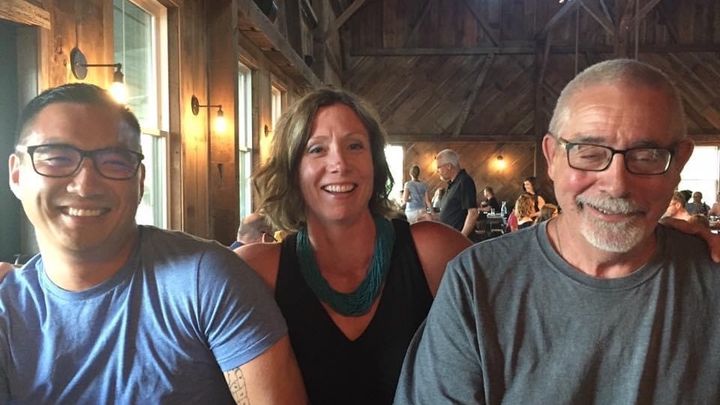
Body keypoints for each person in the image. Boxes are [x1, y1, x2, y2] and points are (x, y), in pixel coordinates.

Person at [395, 59, 720, 403]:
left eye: (647, 156)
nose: (617, 184)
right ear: (551, 157)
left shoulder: (711, 277)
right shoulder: (477, 282)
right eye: (589, 153)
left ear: (679, 162)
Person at [0, 83, 306, 403]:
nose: (85, 184)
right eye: (57, 158)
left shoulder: (204, 279)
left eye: (114, 161)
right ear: (17, 175)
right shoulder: (7, 310)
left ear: (141, 180)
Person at [235, 88, 470, 405]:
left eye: (355, 146)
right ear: (292, 169)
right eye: (317, 149)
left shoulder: (434, 250)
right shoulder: (256, 271)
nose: (340, 163)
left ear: (374, 163)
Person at [435, 149, 479, 238]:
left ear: (449, 166)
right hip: (449, 237)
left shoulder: (464, 181)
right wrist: (431, 217)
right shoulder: (452, 184)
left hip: (458, 240)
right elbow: (450, 213)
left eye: (439, 167)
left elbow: (473, 213)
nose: (437, 171)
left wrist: (461, 238)